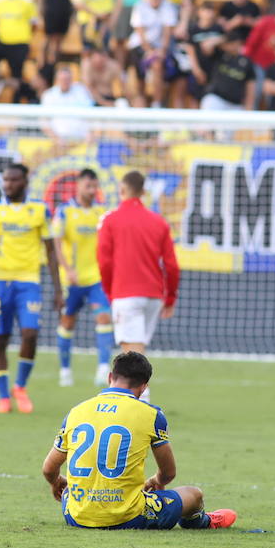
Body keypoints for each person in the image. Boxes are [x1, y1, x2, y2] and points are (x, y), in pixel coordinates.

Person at [41, 350, 237, 530]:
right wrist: (156, 480)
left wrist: (57, 482)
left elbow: (49, 469)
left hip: (76, 516)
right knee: (194, 494)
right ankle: (202, 521)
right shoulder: (151, 415)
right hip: (128, 517)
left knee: (73, 490)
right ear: (143, 388)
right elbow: (168, 473)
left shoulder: (76, 411)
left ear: (110, 377)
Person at [0, 162, 61, 414]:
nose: (8, 185)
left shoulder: (39, 211)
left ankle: (20, 387)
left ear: (25, 182)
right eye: (5, 180)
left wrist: (59, 289)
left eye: (13, 180)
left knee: (30, 333)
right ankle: (3, 398)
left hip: (29, 281)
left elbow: (50, 251)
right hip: (0, 282)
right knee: (0, 340)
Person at [96, 171, 179, 401]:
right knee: (137, 347)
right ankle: (139, 401)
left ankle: (143, 403)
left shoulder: (110, 219)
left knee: (132, 353)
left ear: (122, 190)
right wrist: (170, 297)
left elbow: (104, 260)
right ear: (143, 192)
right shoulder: (158, 221)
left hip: (126, 293)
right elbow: (171, 265)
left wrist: (110, 290)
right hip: (154, 296)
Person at [53, 168, 114, 388]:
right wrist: (67, 269)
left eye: (95, 186)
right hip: (72, 279)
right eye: (88, 186)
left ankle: (103, 368)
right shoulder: (64, 212)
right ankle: (65, 369)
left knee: (104, 318)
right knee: (67, 322)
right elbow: (56, 244)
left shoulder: (101, 212)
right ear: (78, 186)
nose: (92, 190)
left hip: (96, 277)